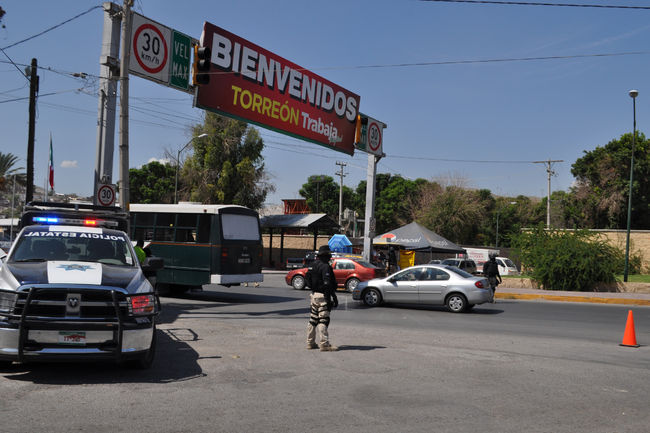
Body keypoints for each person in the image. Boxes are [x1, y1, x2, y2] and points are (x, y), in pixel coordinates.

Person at [306, 245, 339, 352]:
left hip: (314, 295)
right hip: (323, 296)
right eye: (329, 255)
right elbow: (327, 284)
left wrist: (314, 289)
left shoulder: (312, 265)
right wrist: (331, 297)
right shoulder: (325, 267)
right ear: (325, 255)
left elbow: (307, 280)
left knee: (313, 319)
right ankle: (324, 344)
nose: (330, 257)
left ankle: (310, 343)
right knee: (323, 320)